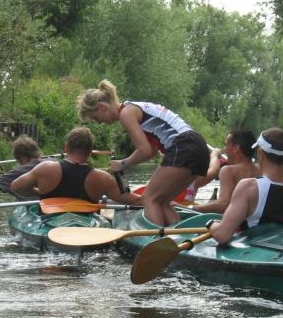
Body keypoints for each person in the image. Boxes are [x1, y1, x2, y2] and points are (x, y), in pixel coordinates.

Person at [77, 79, 209, 226]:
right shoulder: (133, 108)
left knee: (148, 199)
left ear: (102, 107)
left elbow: (144, 151)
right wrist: (124, 163)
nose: (100, 123)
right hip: (199, 146)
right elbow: (151, 151)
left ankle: (155, 237)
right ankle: (181, 236)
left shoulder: (126, 113)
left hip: (183, 145)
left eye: (96, 118)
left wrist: (122, 164)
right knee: (162, 202)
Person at [208, 128, 283, 244]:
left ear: (260, 153)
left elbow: (222, 235)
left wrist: (211, 224)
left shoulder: (248, 187)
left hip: (254, 253)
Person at [9, 126, 141, 206]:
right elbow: (135, 201)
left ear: (66, 147)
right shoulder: (102, 178)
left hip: (51, 226)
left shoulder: (45, 168)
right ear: (90, 151)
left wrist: (39, 192)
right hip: (85, 230)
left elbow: (15, 187)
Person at [192, 130, 261, 213]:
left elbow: (223, 205)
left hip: (235, 219)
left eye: (226, 145)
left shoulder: (228, 170)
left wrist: (192, 208)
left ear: (236, 148)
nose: (225, 149)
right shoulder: (261, 170)